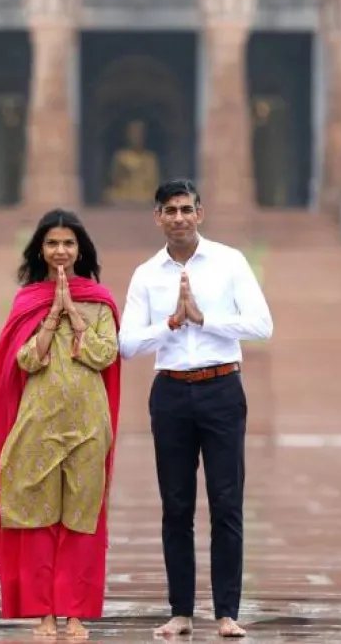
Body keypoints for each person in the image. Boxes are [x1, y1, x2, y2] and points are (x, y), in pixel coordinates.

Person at [118, 179, 274, 638]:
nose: (179, 218)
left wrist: (206, 318)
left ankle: (227, 612)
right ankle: (181, 611)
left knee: (227, 504)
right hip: (170, 393)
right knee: (176, 506)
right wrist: (169, 324)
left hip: (222, 387)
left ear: (200, 214)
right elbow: (127, 343)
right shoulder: (147, 273)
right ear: (158, 218)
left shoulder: (229, 262)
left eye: (187, 209)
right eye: (170, 210)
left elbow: (262, 324)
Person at [0, 208, 123, 639]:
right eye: (52, 243)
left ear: (80, 249)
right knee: (38, 517)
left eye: (68, 243)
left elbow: (105, 354)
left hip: (88, 422)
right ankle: (44, 613)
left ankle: (76, 613)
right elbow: (25, 359)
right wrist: (51, 317)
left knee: (82, 516)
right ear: (40, 250)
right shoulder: (27, 300)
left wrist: (75, 315)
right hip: (38, 420)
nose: (60, 251)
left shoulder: (99, 299)